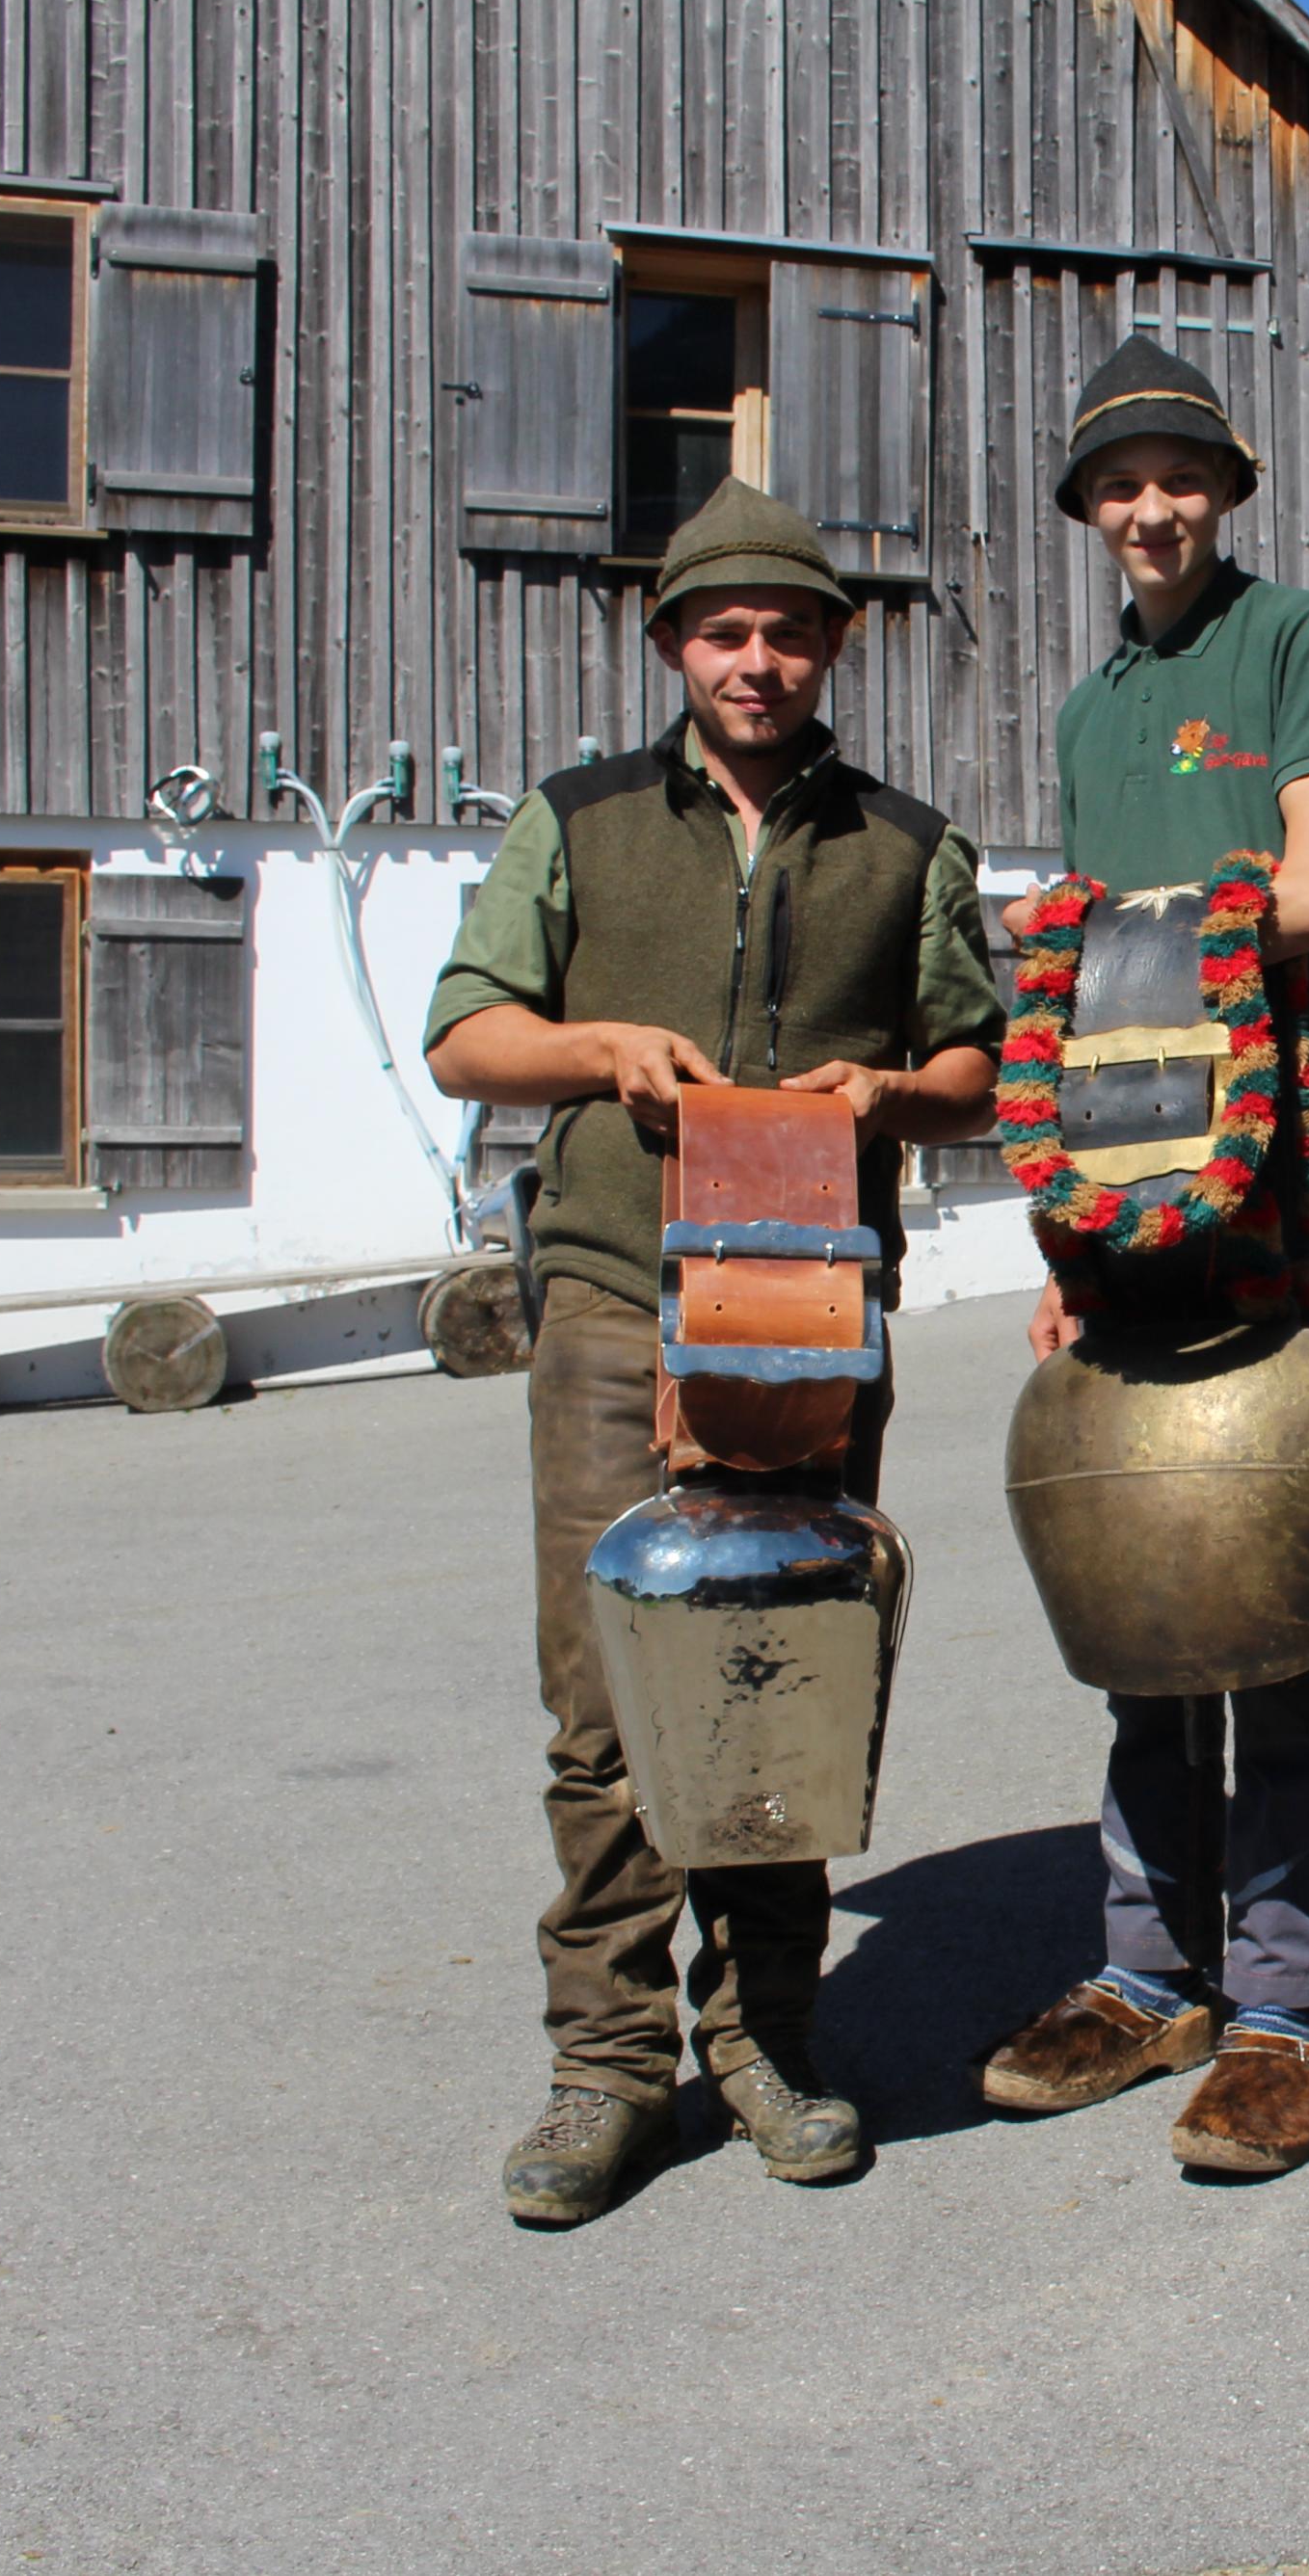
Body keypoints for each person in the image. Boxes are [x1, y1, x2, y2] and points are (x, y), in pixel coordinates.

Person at [425, 481, 1003, 2225]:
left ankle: (767, 2040)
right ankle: (607, 2064)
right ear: (671, 641)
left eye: (790, 633)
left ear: (835, 646)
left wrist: (886, 1092)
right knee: (607, 1690)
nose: (758, 661)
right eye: (726, 631)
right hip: (616, 1295)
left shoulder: (907, 844)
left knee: (785, 1670)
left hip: (812, 1309)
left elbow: (976, 1066)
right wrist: (601, 1047)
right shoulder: (580, 820)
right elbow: (466, 1036)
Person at [978, 340, 1309, 2178]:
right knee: (1145, 1602)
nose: (1153, 509)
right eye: (1120, 484)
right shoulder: (1091, 712)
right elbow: (1083, 1006)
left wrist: (1088, 928)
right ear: (1088, 510)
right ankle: (1152, 1973)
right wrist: (1064, 1235)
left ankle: (1289, 2003)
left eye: (1180, 477)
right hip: (1125, 1197)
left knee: (1277, 1600)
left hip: (1284, 1175)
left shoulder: (1295, 640)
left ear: (1223, 491)